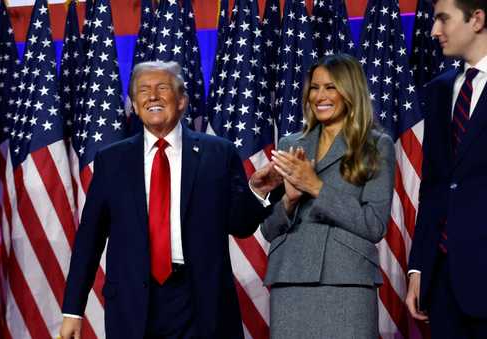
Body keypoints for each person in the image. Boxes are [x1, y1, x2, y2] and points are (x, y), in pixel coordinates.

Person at [58, 61, 282, 339]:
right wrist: (73, 311)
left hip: (200, 302)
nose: (152, 96)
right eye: (143, 90)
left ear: (182, 101)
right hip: (133, 302)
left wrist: (259, 191)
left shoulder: (218, 153)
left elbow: (240, 225)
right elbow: (89, 239)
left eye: (162, 88)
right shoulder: (111, 161)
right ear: (136, 106)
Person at [261, 53, 395, 338]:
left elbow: (374, 225)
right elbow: (268, 229)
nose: (319, 95)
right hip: (290, 282)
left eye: (331, 87)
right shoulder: (290, 144)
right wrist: (290, 200)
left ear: (350, 92)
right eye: (314, 87)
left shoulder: (376, 145)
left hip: (347, 282)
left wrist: (317, 187)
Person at [406, 0, 487, 337]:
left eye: (443, 19)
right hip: (442, 283)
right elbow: (435, 185)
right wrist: (418, 268)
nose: (433, 31)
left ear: (477, 19)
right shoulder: (439, 89)